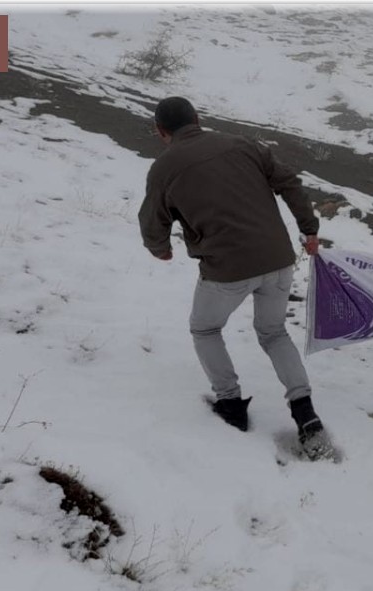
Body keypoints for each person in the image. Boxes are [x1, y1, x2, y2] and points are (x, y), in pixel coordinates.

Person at [138, 96, 326, 448]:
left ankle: (230, 403)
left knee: (205, 328)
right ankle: (306, 414)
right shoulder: (243, 145)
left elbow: (152, 221)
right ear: (197, 118)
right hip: (277, 258)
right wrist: (309, 227)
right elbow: (289, 182)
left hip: (226, 269)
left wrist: (160, 248)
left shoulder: (164, 168)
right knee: (273, 332)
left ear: (161, 131)